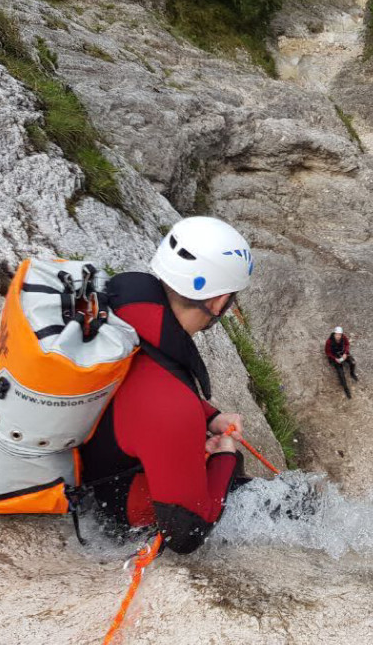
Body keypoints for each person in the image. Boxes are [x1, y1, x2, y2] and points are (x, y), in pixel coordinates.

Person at [79, 216, 255, 554]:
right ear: (219, 302)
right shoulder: (171, 405)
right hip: (118, 508)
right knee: (272, 498)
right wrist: (225, 458)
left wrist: (210, 416)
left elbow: (139, 380)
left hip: (97, 457)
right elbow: (185, 534)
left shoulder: (121, 305)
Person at [324, 326, 357, 399]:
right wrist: (334, 359)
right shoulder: (329, 341)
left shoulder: (343, 337)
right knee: (341, 374)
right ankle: (346, 390)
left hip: (342, 353)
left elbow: (347, 344)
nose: (338, 336)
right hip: (335, 356)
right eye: (337, 334)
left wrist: (345, 353)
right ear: (334, 334)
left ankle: (352, 373)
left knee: (353, 362)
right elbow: (327, 352)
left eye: (340, 334)